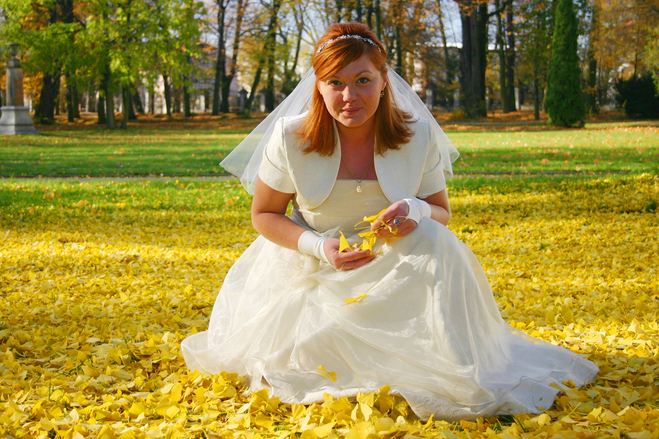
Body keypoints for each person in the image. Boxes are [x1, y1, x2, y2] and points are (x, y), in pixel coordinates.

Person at [182, 23, 598, 421]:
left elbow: (441, 212)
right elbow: (264, 215)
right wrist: (319, 248)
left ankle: (447, 359)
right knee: (309, 359)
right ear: (319, 86)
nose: (350, 95)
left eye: (363, 80)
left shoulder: (417, 135)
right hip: (314, 264)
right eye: (336, 82)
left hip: (396, 265)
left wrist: (414, 211)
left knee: (434, 238)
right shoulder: (292, 137)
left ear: (384, 80)